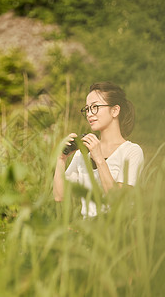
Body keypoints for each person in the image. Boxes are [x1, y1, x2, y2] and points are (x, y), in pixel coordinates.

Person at [53, 81, 144, 217]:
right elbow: (59, 196)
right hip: (86, 233)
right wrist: (61, 159)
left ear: (115, 110)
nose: (89, 113)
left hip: (117, 232)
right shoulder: (83, 152)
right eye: (87, 109)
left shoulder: (131, 151)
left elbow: (118, 200)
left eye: (95, 107)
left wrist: (99, 158)